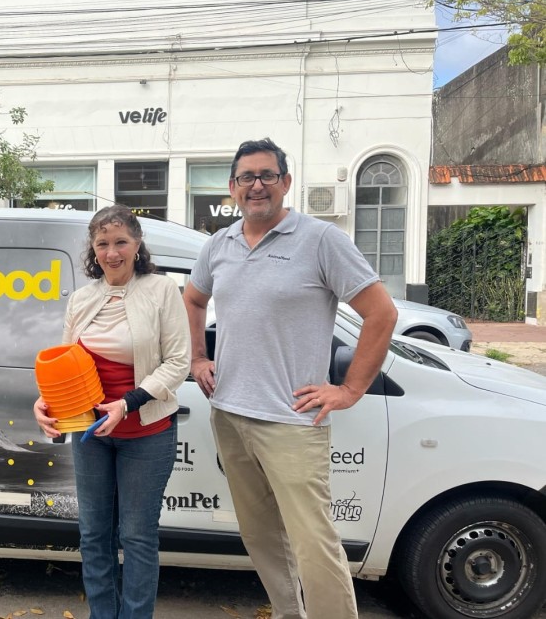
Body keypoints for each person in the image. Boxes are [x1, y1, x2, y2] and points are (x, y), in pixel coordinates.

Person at [182, 139, 397, 619]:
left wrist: (350, 389)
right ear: (233, 188)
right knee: (259, 535)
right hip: (231, 414)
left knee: (313, 543)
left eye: (267, 175)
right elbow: (192, 300)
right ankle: (286, 612)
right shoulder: (220, 243)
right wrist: (199, 358)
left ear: (286, 182)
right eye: (246, 178)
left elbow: (381, 313)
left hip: (291, 422)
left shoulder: (321, 240)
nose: (256, 186)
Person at [33, 205, 190, 619]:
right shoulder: (83, 299)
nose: (112, 252)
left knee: (138, 537)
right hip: (92, 435)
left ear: (137, 245)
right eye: (103, 243)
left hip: (147, 432)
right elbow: (66, 363)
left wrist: (128, 403)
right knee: (93, 536)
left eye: (121, 242)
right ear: (94, 248)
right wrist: (45, 402)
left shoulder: (161, 291)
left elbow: (178, 363)